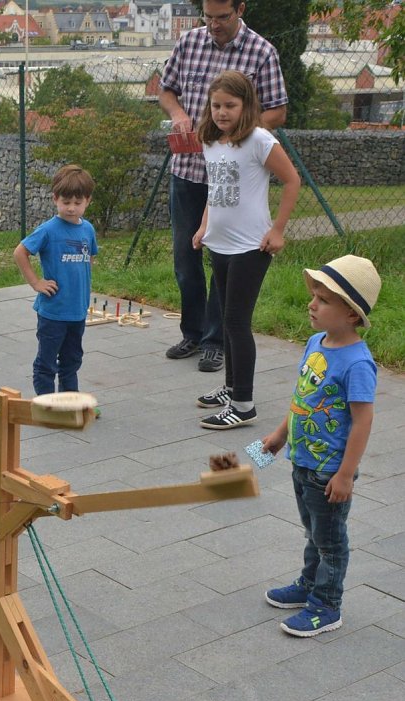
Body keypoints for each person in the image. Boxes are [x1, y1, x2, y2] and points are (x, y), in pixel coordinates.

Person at [159, 0, 288, 373]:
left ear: (240, 9)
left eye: (222, 17)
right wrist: (179, 113)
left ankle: (216, 341)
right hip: (188, 168)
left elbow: (278, 110)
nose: (213, 25)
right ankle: (192, 332)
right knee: (186, 259)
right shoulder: (188, 42)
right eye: (208, 17)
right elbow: (166, 91)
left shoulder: (262, 51)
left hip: (233, 175)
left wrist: (236, 133)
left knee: (224, 261)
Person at [262, 255, 382, 637]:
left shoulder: (358, 363)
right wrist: (280, 435)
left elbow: (363, 421)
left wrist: (346, 475)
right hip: (302, 462)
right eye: (314, 295)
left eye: (324, 300)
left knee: (331, 541)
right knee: (313, 532)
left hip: (330, 470)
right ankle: (308, 584)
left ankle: (327, 605)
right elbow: (303, 396)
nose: (312, 304)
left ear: (351, 314)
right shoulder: (316, 342)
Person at [192, 71, 300, 429]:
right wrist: (205, 225)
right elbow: (216, 191)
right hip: (219, 243)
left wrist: (278, 230)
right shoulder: (210, 140)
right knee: (225, 317)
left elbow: (292, 180)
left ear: (246, 105)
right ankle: (230, 387)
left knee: (237, 321)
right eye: (216, 105)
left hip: (251, 246)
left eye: (230, 106)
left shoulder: (259, 140)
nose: (222, 112)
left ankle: (243, 404)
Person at [13, 164, 97, 396]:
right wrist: (36, 283)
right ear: (55, 198)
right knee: (47, 362)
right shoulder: (48, 230)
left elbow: (89, 258)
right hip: (53, 313)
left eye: (77, 203)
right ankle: (46, 404)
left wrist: (81, 287)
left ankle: (70, 402)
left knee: (72, 360)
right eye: (66, 202)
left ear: (87, 201)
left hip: (77, 311)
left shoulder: (88, 229)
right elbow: (20, 252)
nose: (71, 208)